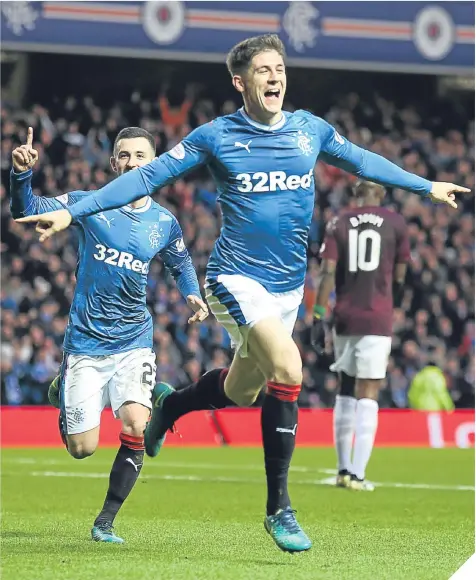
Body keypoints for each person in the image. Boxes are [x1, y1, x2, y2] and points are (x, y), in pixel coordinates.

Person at [17, 34, 470, 553]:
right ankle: (280, 509)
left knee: (242, 390)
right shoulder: (216, 136)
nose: (275, 77)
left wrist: (426, 186)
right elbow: (148, 177)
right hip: (234, 279)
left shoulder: (310, 131)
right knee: (290, 369)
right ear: (240, 82)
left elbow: (364, 161)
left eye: (280, 68)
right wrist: (75, 209)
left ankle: (170, 410)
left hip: (286, 289)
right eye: (263, 70)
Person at [10, 126, 208, 544]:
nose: (132, 162)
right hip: (85, 343)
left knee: (136, 423)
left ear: (152, 164)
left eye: (140, 156)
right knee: (81, 449)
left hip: (134, 339)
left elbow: (181, 263)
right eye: (124, 155)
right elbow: (25, 209)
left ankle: (105, 522)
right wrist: (21, 175)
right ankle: (64, 389)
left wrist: (192, 294)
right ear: (113, 162)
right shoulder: (89, 204)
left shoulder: (164, 222)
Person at [311, 180, 410, 491]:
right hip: (376, 316)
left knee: (346, 387)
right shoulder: (395, 223)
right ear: (380, 194)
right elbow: (401, 273)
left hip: (344, 316)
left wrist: (318, 315)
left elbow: (327, 272)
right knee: (369, 391)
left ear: (354, 195)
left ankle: (342, 469)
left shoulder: (339, 222)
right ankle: (357, 474)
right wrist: (392, 297)